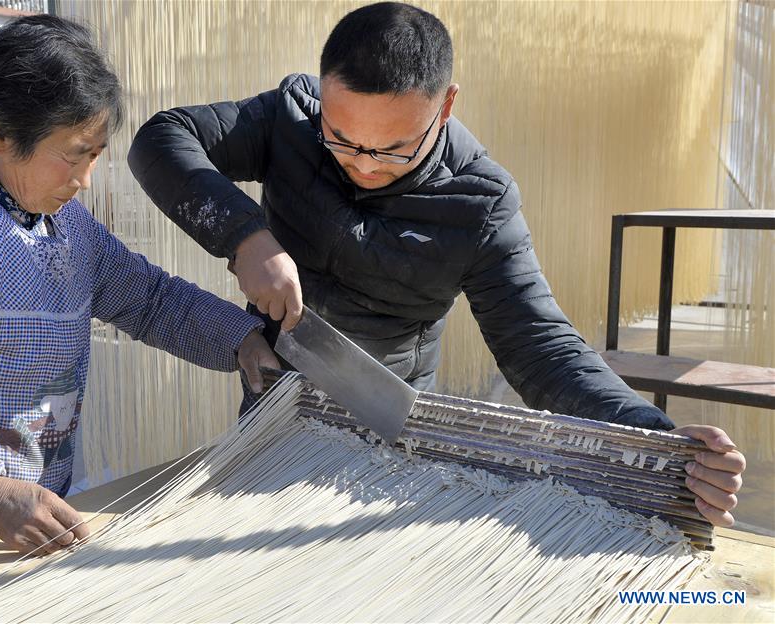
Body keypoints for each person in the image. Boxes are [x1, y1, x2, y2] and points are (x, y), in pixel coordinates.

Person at [127, 2, 745, 527]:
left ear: (445, 106)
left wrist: (652, 436)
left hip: (384, 437)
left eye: (393, 149)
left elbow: (541, 347)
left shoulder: (480, 202)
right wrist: (245, 239)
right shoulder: (291, 117)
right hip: (272, 408)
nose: (362, 163)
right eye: (340, 138)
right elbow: (161, 139)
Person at [0, 14, 279, 566]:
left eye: (95, 155)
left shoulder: (63, 222)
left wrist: (242, 340)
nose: (85, 180)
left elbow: (149, 300)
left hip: (28, 532)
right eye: (73, 154)